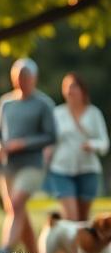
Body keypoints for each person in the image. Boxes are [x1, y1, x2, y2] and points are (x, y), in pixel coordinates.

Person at [0, 58, 55, 253]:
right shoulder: (5, 102)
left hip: (32, 165)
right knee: (16, 211)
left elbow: (51, 135)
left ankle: (5, 250)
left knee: (16, 204)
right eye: (18, 78)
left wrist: (23, 143)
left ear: (34, 78)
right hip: (7, 165)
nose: (22, 82)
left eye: (25, 78)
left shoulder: (44, 104)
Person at [47, 72, 109, 221]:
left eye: (74, 86)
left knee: (82, 219)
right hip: (61, 169)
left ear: (82, 90)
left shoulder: (94, 113)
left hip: (88, 170)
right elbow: (50, 141)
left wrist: (92, 145)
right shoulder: (57, 113)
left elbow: (104, 143)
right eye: (67, 87)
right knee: (71, 217)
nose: (70, 91)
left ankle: (76, 243)